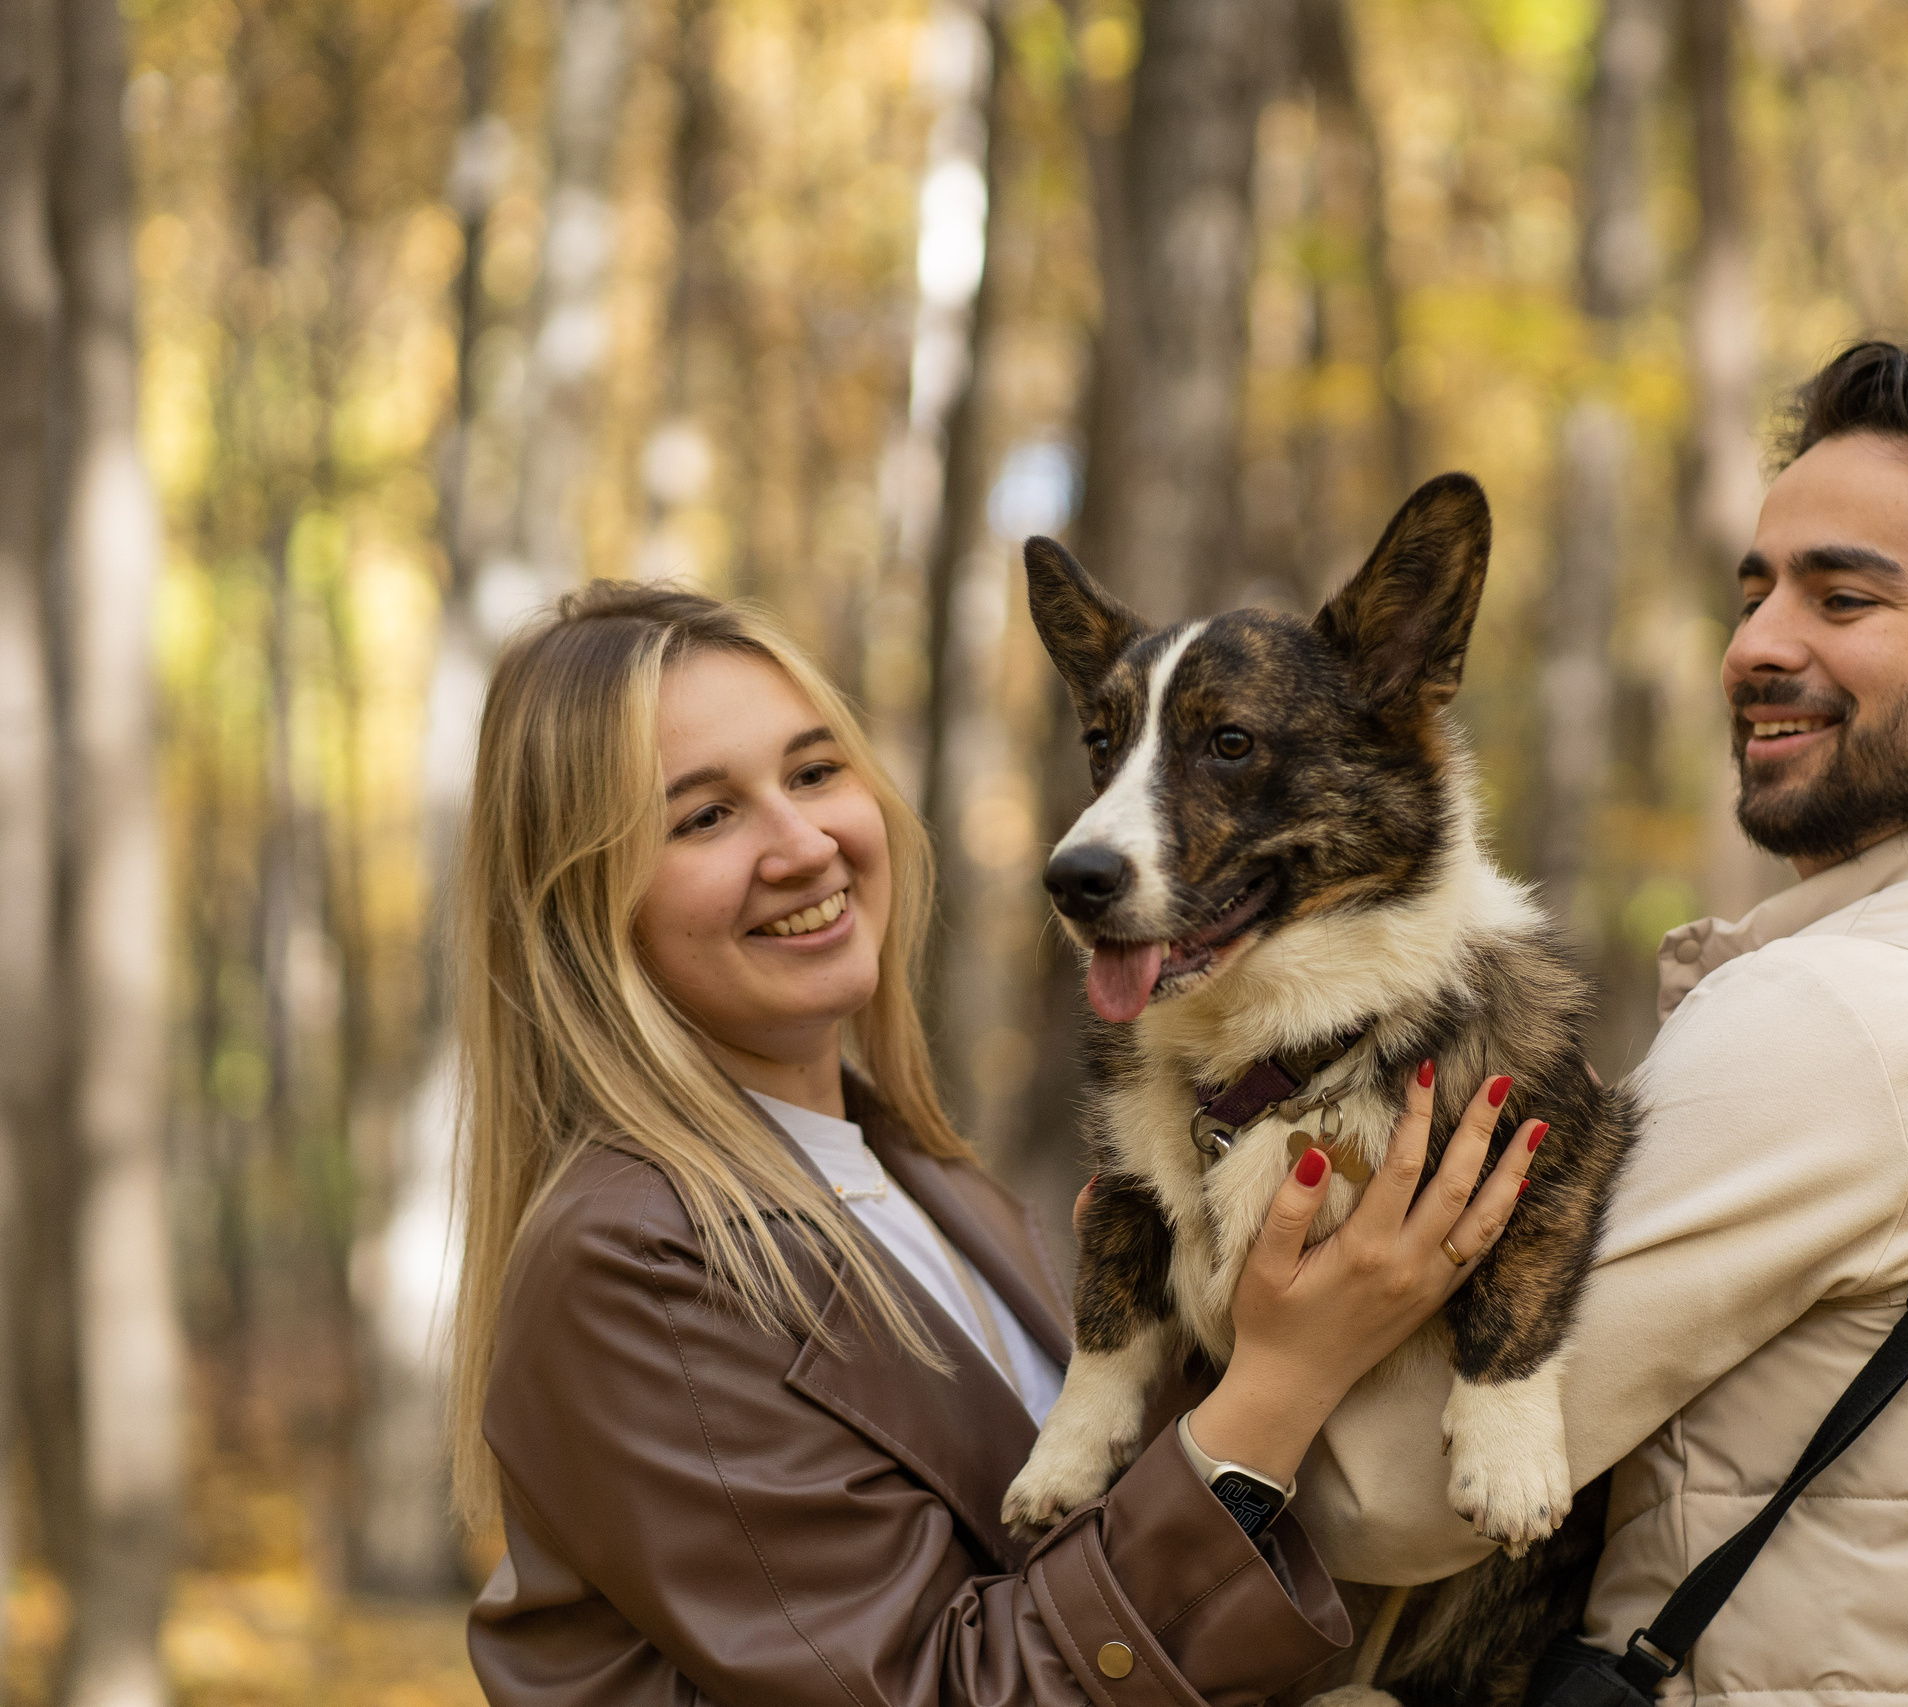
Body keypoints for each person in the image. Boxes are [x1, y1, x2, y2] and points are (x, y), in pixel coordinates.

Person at [1300, 343, 1908, 1705]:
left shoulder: (1852, 1011)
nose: (1755, 648)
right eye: (1755, 592)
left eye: (1842, 595)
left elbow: (1388, 1494)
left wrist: (1269, 1355)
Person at [451, 582, 1540, 1706]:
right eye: (704, 817)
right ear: (588, 900)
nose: (802, 844)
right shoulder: (630, 1263)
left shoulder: (919, 1179)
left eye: (816, 772)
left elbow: (1066, 1564)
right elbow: (941, 1687)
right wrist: (1278, 1385)